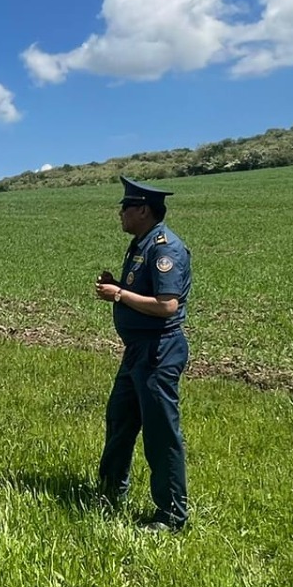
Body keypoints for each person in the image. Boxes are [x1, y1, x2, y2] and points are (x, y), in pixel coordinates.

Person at [93, 176, 193, 531]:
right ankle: (108, 493)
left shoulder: (164, 248)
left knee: (160, 433)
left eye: (125, 207)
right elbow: (143, 293)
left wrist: (119, 296)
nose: (120, 213)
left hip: (159, 351)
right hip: (137, 351)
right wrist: (119, 287)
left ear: (143, 210)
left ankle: (171, 515)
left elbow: (167, 306)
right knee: (119, 421)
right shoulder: (141, 244)